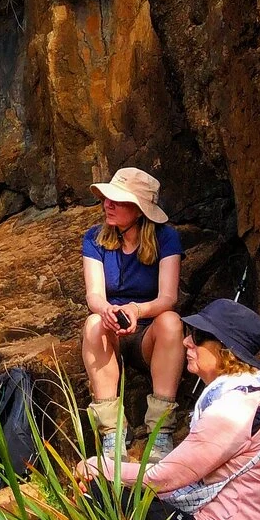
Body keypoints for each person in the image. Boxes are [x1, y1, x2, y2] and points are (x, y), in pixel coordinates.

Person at [83, 297, 260, 520]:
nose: (187, 341)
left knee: (103, 492)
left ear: (226, 351)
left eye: (198, 337)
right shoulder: (255, 393)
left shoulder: (233, 410)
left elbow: (164, 478)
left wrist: (101, 467)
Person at [78, 166, 184, 460]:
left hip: (148, 333)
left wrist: (138, 309)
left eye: (118, 200)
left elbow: (168, 297)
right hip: (112, 330)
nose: (107, 205)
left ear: (139, 211)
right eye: (107, 198)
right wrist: (109, 310)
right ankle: (112, 433)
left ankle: (160, 430)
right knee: (93, 322)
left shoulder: (167, 238)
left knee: (171, 322)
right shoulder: (95, 238)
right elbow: (94, 295)